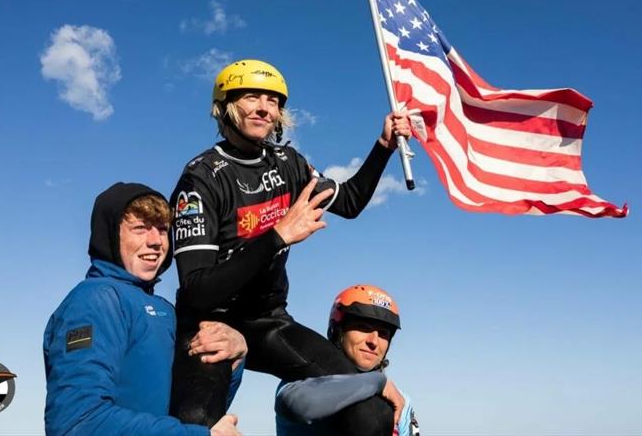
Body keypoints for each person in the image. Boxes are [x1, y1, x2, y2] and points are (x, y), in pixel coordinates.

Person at [169, 59, 412, 434]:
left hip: (268, 321)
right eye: (252, 97)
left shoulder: (288, 163)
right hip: (209, 323)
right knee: (197, 428)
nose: (265, 108)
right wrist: (277, 236)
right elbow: (198, 291)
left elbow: (348, 202)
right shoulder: (200, 178)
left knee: (369, 407)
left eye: (273, 100)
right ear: (225, 106)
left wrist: (383, 147)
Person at [44, 182, 246, 436]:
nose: (155, 241)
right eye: (140, 228)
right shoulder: (95, 300)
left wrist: (236, 354)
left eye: (162, 229)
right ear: (109, 235)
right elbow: (77, 423)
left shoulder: (164, 311)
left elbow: (196, 408)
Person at [275, 285, 419, 436]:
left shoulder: (399, 398)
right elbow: (300, 405)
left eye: (383, 333)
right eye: (363, 327)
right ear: (337, 331)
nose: (374, 341)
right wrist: (377, 382)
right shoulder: (305, 377)